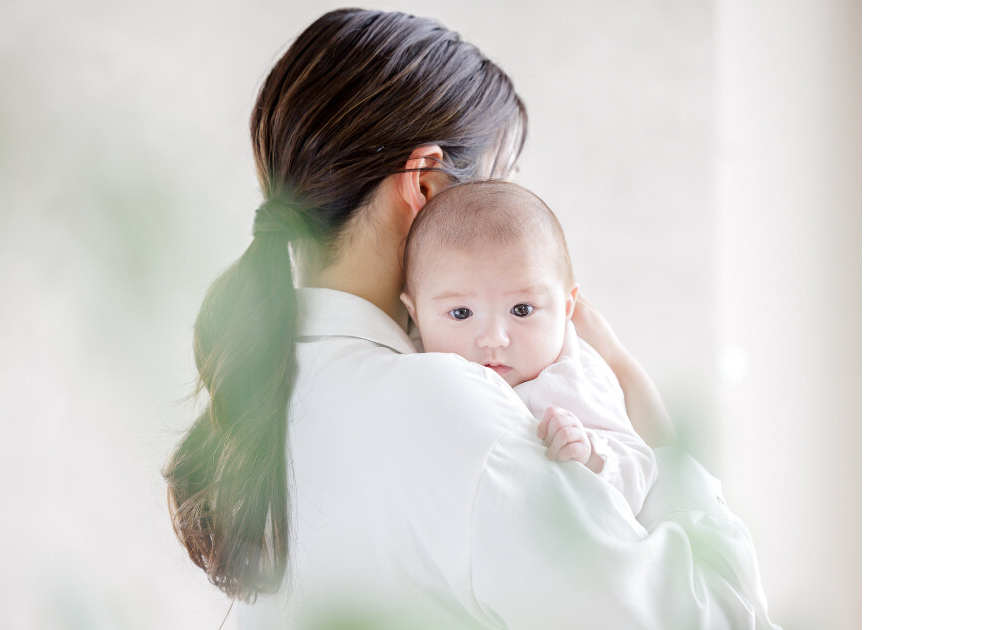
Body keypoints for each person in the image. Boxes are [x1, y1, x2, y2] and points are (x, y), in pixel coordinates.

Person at [164, 8, 779, 629]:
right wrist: (661, 441)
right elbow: (720, 618)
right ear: (426, 186)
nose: (504, 218)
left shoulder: (267, 394)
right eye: (496, 185)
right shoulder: (449, 410)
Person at [399, 180, 657, 516]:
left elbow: (641, 467)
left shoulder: (572, 378)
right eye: (461, 313)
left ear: (567, 308)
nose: (494, 338)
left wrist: (591, 454)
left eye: (521, 310)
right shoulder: (410, 366)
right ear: (415, 314)